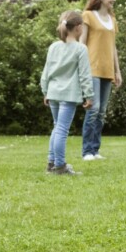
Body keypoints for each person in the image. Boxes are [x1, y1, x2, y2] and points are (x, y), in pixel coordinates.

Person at [41, 10, 93, 176]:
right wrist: (89, 95)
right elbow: (85, 75)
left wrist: (45, 91)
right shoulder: (80, 49)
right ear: (78, 27)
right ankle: (60, 166)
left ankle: (51, 163)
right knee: (62, 130)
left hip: (53, 93)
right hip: (68, 95)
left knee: (57, 128)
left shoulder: (54, 47)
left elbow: (46, 72)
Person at [80, 0, 122, 161]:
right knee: (93, 108)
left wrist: (117, 71)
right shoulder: (88, 16)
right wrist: (80, 68)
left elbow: (113, 47)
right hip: (92, 68)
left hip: (107, 70)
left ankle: (95, 150)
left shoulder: (113, 21)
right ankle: (87, 151)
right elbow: (82, 43)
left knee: (102, 112)